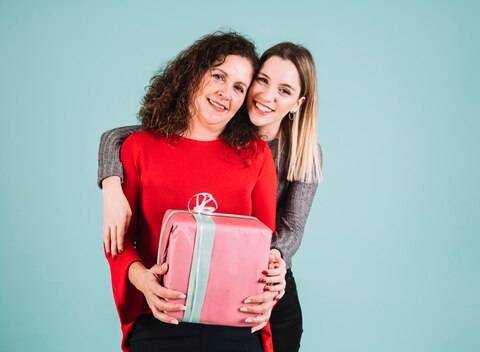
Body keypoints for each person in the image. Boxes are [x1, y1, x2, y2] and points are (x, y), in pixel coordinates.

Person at [99, 42, 322, 352]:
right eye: (218, 76)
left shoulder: (268, 156)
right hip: (162, 318)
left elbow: (281, 232)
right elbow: (123, 138)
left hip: (252, 303)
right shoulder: (140, 146)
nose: (267, 96)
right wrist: (109, 182)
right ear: (193, 74)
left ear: (298, 103)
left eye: (238, 86)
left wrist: (276, 271)